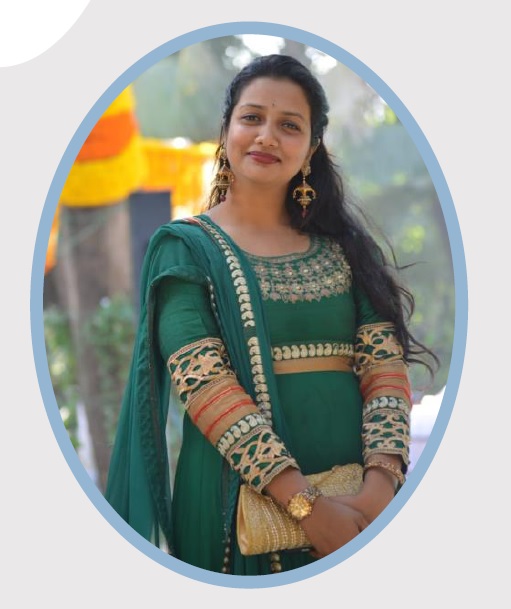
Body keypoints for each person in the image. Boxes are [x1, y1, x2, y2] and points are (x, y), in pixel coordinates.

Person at [105, 54, 437, 575]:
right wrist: (306, 505)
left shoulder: (347, 250)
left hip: (362, 507)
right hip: (232, 503)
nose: (267, 136)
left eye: (289, 125)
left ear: (311, 149)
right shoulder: (186, 248)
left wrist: (378, 490)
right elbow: (204, 382)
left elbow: (384, 369)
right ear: (226, 131)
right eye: (252, 118)